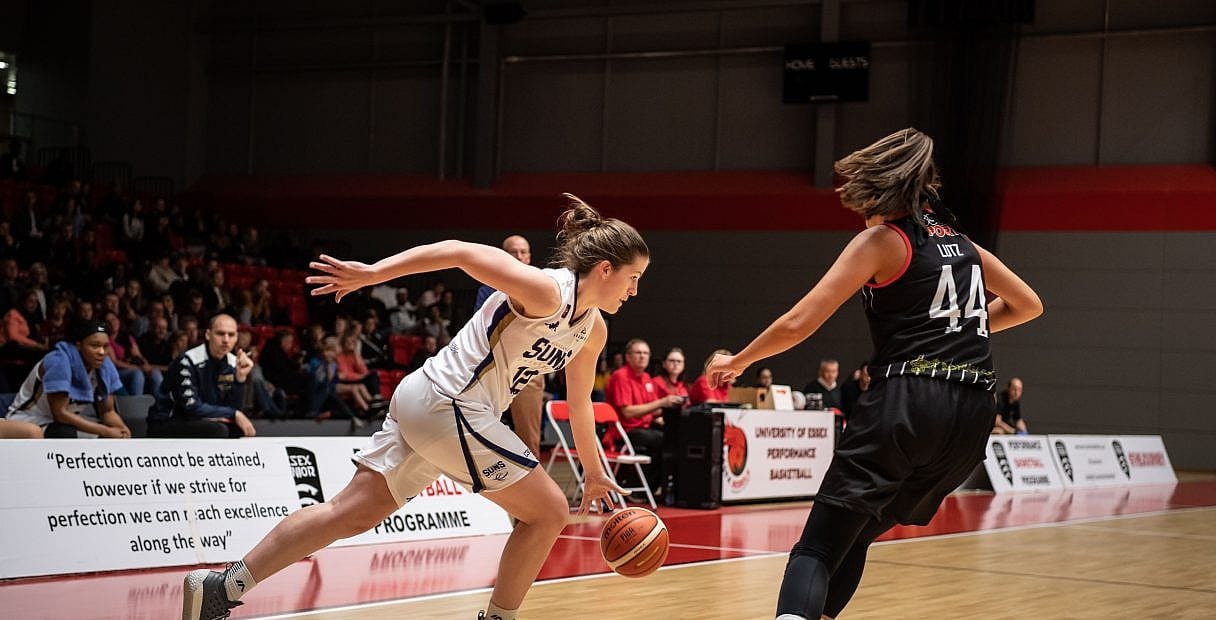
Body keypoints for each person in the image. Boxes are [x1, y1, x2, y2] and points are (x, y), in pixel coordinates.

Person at [181, 195, 648, 620]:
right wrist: (373, 273)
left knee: (350, 512)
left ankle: (220, 587)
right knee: (547, 511)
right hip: (450, 402)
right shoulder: (547, 291)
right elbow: (460, 251)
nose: (634, 290)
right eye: (633, 278)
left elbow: (580, 401)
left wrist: (591, 470)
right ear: (605, 269)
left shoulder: (594, 330)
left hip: (434, 404)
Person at [705, 128, 1042, 620]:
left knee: (816, 548)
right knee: (855, 534)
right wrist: (960, 330)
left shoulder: (884, 241)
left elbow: (799, 323)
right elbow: (1029, 305)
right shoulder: (968, 246)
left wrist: (738, 361)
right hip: (971, 416)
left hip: (910, 400)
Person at [473, 234, 545, 459]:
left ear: (530, 257)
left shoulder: (543, 286)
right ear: (504, 255)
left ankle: (532, 488)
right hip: (492, 367)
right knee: (479, 428)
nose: (520, 256)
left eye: (524, 252)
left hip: (528, 367)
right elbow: (481, 328)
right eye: (514, 252)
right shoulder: (488, 288)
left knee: (530, 439)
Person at [5, 320, 130, 438]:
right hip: (29, 420)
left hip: (63, 424)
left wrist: (123, 430)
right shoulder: (58, 361)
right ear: (78, 345)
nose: (102, 352)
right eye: (95, 345)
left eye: (106, 346)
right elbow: (60, 413)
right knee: (65, 433)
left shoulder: (104, 366)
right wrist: (106, 431)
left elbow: (107, 412)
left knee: (108, 438)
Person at [145, 314, 256, 439]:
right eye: (220, 333)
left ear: (236, 337)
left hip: (201, 420)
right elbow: (192, 407)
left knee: (240, 429)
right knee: (219, 430)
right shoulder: (187, 361)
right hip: (167, 421)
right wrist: (233, 413)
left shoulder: (234, 363)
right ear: (208, 335)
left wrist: (240, 379)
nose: (226, 339)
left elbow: (234, 410)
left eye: (231, 335)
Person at [604, 338, 681, 493]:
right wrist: (662, 402)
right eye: (638, 353)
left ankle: (654, 487)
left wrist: (674, 407)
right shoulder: (621, 376)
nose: (642, 356)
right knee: (664, 440)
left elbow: (652, 411)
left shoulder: (646, 378)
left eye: (646, 353)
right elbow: (628, 412)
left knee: (675, 436)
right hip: (625, 431)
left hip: (644, 427)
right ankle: (647, 488)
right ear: (628, 357)